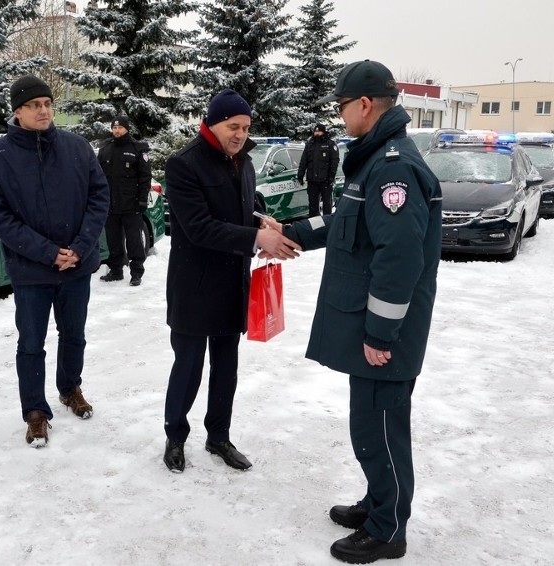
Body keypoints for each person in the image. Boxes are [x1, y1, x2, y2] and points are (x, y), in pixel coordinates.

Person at [260, 60, 441, 563]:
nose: (340, 118)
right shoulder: (376, 159)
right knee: (370, 423)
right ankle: (379, 502)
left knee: (379, 427)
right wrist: (293, 232)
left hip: (388, 332)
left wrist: (381, 334)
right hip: (376, 328)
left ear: (364, 105)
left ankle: (388, 530)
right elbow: (346, 219)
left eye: (342, 108)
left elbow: (399, 260)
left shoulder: (393, 168)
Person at [161, 89, 301, 473]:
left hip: (232, 285)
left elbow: (242, 205)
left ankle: (218, 436)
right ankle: (175, 436)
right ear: (212, 122)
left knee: (226, 369)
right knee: (188, 368)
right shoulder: (183, 165)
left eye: (245, 127)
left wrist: (261, 220)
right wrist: (257, 239)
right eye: (233, 126)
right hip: (194, 286)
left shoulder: (244, 161)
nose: (240, 134)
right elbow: (198, 227)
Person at [0, 75, 110, 448]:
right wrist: (49, 252)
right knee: (31, 342)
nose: (44, 110)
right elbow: (0, 218)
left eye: (48, 103)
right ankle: (35, 411)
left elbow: (99, 197)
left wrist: (80, 248)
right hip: (31, 271)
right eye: (35, 105)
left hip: (77, 266)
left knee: (74, 335)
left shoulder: (77, 148)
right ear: (17, 111)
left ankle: (70, 388)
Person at [97, 115, 152, 286]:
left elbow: (145, 177)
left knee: (134, 241)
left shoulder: (137, 149)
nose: (117, 130)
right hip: (111, 205)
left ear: (127, 129)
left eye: (120, 127)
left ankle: (136, 272)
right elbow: (98, 177)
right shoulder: (105, 150)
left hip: (131, 204)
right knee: (113, 240)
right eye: (114, 128)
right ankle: (116, 270)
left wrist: (142, 200)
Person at [297, 123, 339, 216]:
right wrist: (300, 174)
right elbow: (304, 161)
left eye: (319, 131)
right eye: (315, 131)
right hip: (312, 180)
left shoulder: (330, 144)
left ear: (323, 132)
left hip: (325, 180)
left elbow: (334, 162)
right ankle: (313, 227)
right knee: (312, 205)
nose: (317, 133)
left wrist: (331, 177)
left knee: (326, 205)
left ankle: (326, 227)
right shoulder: (309, 145)